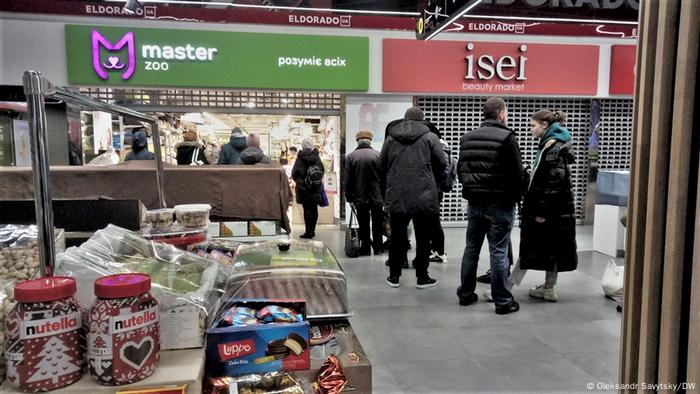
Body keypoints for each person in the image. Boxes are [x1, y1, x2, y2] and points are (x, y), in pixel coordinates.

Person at [456, 97, 527, 315]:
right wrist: (520, 192)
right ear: (501, 114)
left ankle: (466, 294)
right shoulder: (507, 138)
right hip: (500, 204)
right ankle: (503, 302)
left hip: (475, 203)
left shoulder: (467, 138)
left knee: (471, 249)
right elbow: (516, 175)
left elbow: (461, 171)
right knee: (498, 251)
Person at [509, 110, 578, 302]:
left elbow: (553, 183)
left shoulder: (553, 147)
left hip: (546, 209)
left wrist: (541, 212)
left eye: (533, 125)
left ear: (545, 126)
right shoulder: (553, 145)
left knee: (529, 248)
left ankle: (507, 288)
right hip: (557, 211)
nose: (531, 129)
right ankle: (548, 288)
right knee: (552, 249)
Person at [381, 107, 447, 289]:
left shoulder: (391, 138)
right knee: (423, 237)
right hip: (424, 195)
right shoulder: (431, 138)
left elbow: (382, 165)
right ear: (422, 120)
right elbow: (442, 163)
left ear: (404, 120)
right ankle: (422, 277)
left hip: (397, 195)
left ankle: (394, 276)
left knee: (396, 237)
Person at [344, 130, 384, 256]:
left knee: (363, 223)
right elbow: (384, 178)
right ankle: (378, 247)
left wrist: (349, 197)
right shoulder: (379, 155)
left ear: (357, 141)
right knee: (377, 222)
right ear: (370, 141)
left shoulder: (351, 157)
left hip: (359, 196)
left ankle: (365, 247)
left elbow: (348, 179)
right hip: (377, 196)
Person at [292, 138, 324, 239]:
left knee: (307, 210)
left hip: (304, 188)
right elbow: (322, 170)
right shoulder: (316, 157)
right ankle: (312, 230)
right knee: (314, 209)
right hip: (315, 187)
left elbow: (294, 173)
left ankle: (308, 231)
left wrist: (299, 181)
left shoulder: (300, 158)